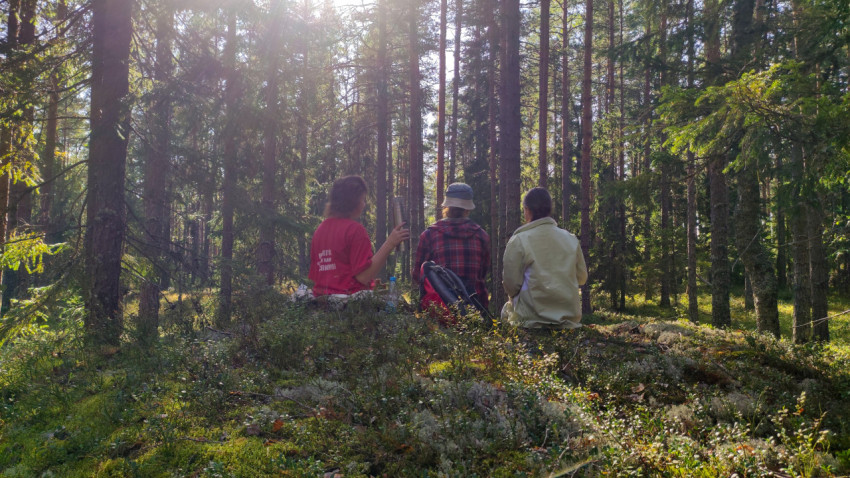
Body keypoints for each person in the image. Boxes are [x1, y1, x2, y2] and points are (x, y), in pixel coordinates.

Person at [501, 187, 587, 329]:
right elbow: (582, 278)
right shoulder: (570, 239)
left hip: (530, 320)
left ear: (527, 210)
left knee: (506, 311)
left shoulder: (519, 240)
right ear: (549, 209)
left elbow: (511, 285)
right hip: (568, 322)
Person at [309, 175, 409, 296]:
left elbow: (326, 274)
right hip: (349, 305)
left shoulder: (320, 230)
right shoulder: (354, 230)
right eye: (362, 199)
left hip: (321, 302)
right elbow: (363, 277)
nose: (364, 204)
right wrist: (390, 243)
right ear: (353, 202)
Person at [413, 182, 490, 308]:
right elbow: (482, 274)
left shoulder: (429, 235)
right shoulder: (482, 236)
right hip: (477, 310)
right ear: (468, 209)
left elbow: (418, 275)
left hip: (440, 312)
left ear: (446, 206)